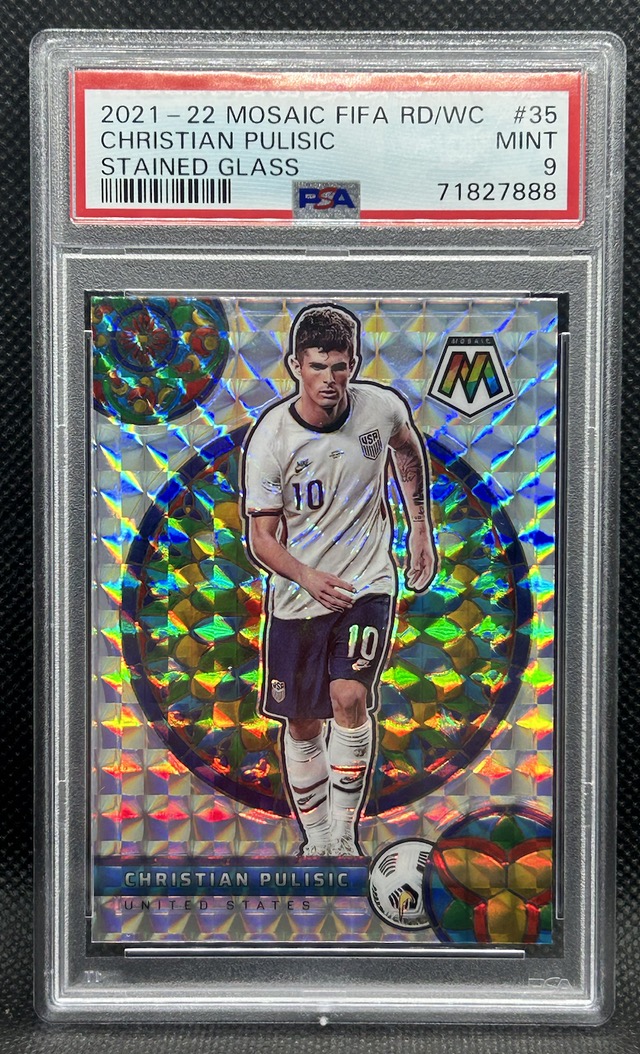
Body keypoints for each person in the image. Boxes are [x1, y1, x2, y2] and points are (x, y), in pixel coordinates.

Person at [241, 303, 437, 858]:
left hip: (367, 580)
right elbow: (261, 539)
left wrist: (420, 527)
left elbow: (406, 447)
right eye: (317, 366)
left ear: (352, 364)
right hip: (299, 594)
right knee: (303, 724)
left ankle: (346, 837)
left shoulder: (380, 408)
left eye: (340, 366)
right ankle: (318, 838)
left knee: (349, 696)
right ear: (295, 366)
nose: (330, 379)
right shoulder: (272, 440)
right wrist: (306, 576)